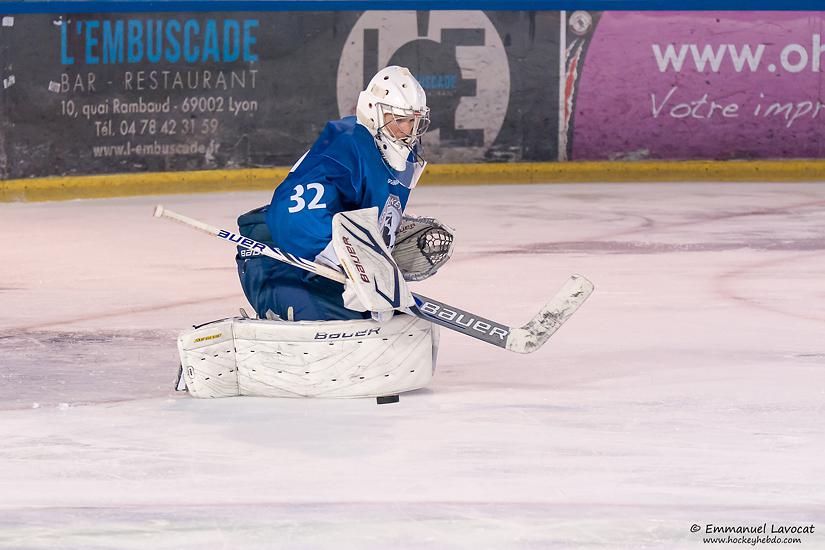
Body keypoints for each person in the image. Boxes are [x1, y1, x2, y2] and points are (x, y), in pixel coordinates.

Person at [236, 66, 449, 322]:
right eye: (400, 120)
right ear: (374, 112)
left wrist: (380, 246)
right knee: (339, 328)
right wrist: (349, 261)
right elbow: (295, 216)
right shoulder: (345, 144)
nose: (408, 131)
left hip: (325, 269)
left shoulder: (395, 159)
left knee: (398, 322)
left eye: (414, 121)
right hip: (281, 260)